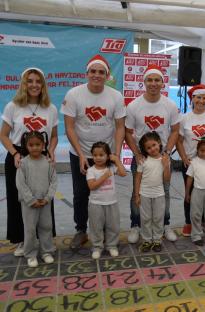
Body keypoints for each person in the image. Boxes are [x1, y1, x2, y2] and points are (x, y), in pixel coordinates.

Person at [61, 54, 126, 250]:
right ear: (87, 73)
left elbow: (120, 127)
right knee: (81, 193)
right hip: (80, 153)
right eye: (93, 71)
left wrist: (115, 153)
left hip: (104, 155)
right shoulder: (73, 95)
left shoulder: (116, 96)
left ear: (107, 75)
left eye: (101, 72)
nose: (97, 75)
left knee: (106, 193)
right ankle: (81, 230)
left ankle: (105, 231)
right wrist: (81, 155)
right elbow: (70, 127)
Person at [1, 67, 58, 257]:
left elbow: (55, 136)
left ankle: (45, 241)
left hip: (41, 157)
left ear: (43, 85)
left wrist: (50, 150)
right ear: (24, 84)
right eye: (30, 81)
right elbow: (3, 135)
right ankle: (23, 241)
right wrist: (15, 154)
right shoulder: (13, 106)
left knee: (43, 197)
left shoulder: (51, 108)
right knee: (20, 201)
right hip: (19, 156)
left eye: (38, 81)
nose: (34, 85)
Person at [125, 64, 180, 244]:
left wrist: (167, 152)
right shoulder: (134, 106)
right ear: (144, 82)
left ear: (162, 83)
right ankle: (136, 225)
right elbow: (127, 132)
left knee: (164, 191)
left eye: (157, 80)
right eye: (150, 80)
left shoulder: (170, 105)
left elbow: (175, 131)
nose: (153, 83)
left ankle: (164, 224)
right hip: (142, 157)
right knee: (137, 192)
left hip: (162, 157)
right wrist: (136, 154)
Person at [177, 84, 205, 238]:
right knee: (190, 192)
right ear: (192, 99)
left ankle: (204, 223)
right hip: (191, 163)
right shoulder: (184, 118)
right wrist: (184, 157)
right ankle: (189, 222)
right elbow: (179, 139)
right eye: (198, 97)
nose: (201, 101)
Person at [15, 131, 57, 268]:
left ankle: (46, 252)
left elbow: (54, 182)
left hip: (44, 202)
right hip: (29, 205)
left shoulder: (48, 162)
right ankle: (31, 254)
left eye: (38, 144)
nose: (35, 148)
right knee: (30, 229)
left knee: (46, 227)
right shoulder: (23, 164)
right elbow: (20, 184)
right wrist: (31, 200)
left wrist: (47, 198)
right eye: (31, 145)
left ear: (43, 145)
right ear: (26, 146)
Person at [86, 142, 127, 260]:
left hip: (112, 202)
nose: (98, 158)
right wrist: (104, 177)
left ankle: (112, 245)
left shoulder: (111, 168)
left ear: (108, 156)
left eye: (101, 155)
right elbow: (92, 186)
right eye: (95, 155)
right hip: (96, 204)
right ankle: (97, 247)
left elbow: (123, 173)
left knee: (113, 225)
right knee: (96, 226)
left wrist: (117, 160)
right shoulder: (91, 170)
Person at [134, 132, 171, 253]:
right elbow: (138, 178)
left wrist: (165, 165)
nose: (152, 149)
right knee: (145, 218)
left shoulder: (165, 159)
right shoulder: (143, 161)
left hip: (159, 194)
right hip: (144, 194)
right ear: (145, 150)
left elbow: (166, 179)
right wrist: (137, 195)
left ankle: (157, 240)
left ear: (159, 143)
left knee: (158, 218)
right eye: (148, 148)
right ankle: (147, 240)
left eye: (154, 145)